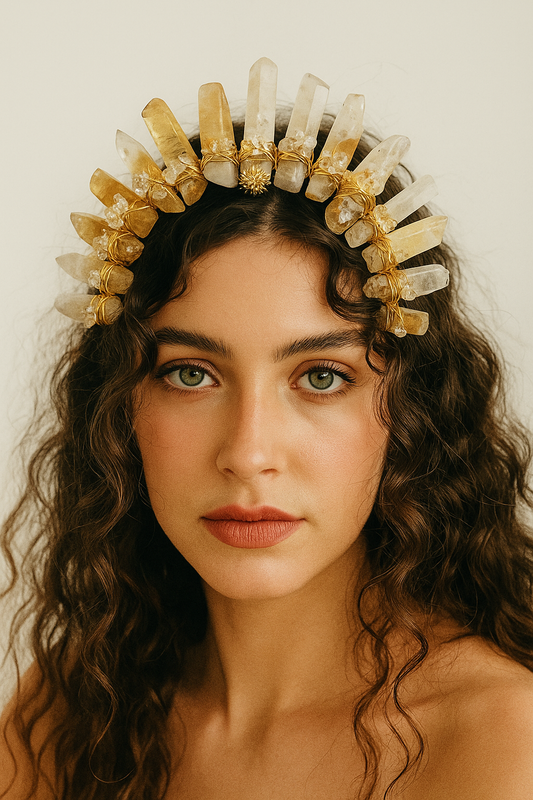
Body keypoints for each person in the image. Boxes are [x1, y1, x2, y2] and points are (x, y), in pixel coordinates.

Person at [1, 61, 533, 800]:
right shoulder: (67, 718)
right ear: (117, 408)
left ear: (412, 410)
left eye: (321, 377)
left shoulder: (501, 739)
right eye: (190, 373)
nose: (248, 453)